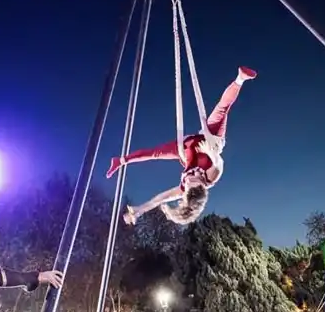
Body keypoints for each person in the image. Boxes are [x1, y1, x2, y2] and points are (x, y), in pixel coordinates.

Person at [106, 66, 257, 225]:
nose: (189, 178)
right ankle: (240, 78)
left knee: (154, 153)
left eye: (188, 181)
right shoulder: (211, 178)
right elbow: (219, 163)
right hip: (211, 138)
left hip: (185, 150)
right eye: (194, 180)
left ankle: (120, 160)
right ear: (201, 186)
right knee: (222, 109)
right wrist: (210, 153)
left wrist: (139, 210)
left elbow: (160, 198)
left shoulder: (184, 189)